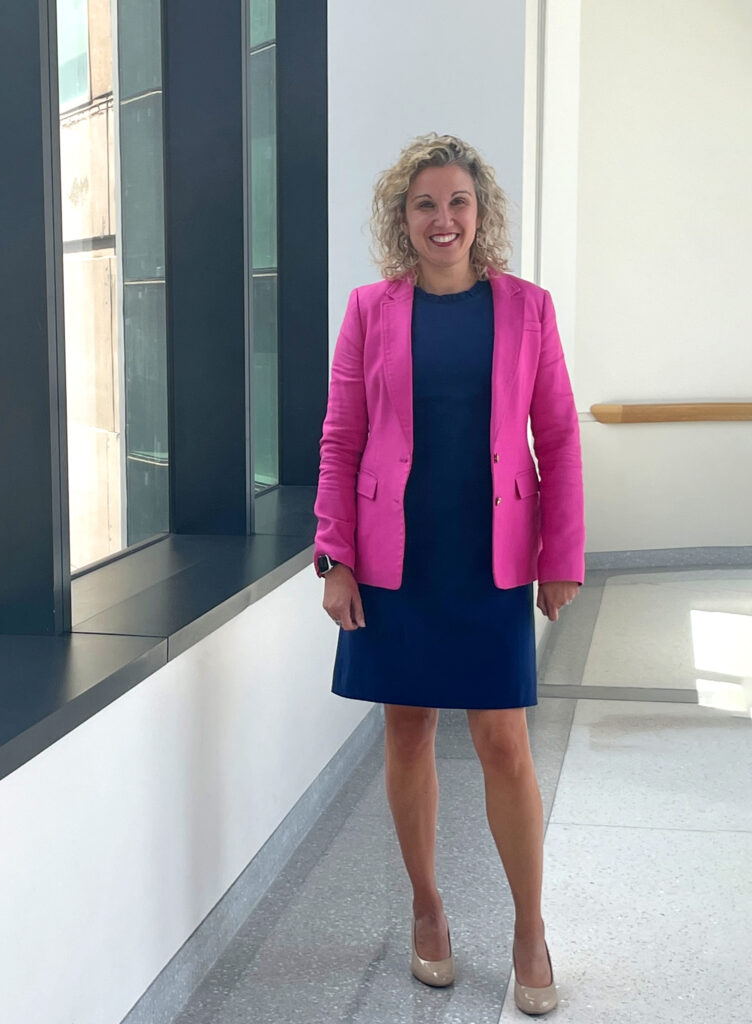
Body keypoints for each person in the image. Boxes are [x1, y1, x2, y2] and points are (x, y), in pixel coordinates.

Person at [312, 132, 584, 1015]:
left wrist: (560, 556)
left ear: (480, 214)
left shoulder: (528, 308)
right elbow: (342, 438)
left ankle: (529, 927)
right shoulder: (368, 311)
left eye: (457, 202)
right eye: (425, 204)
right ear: (404, 218)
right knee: (408, 731)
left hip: (492, 554)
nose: (443, 219)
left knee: (503, 744)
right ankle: (428, 910)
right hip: (398, 558)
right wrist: (336, 555)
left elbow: (559, 436)